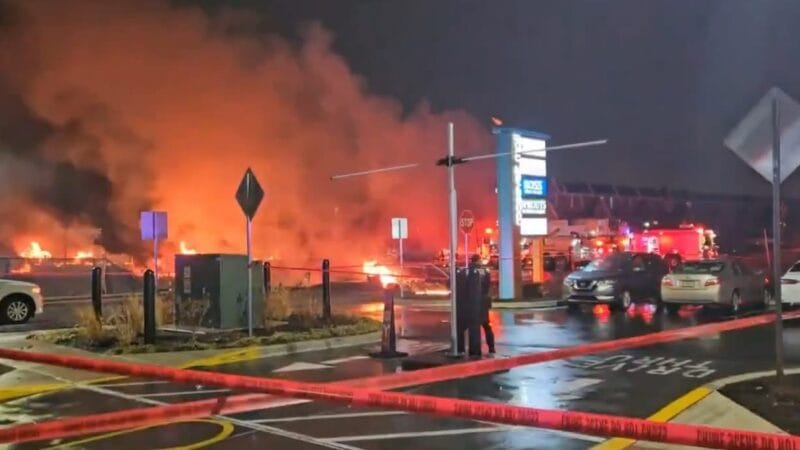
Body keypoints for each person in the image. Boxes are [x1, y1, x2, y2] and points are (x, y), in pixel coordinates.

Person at [472, 254, 495, 354]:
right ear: (479, 261)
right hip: (483, 302)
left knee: (473, 327)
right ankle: (491, 348)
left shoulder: (470, 270)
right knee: (487, 326)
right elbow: (487, 285)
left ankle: (475, 349)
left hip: (473, 302)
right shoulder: (485, 271)